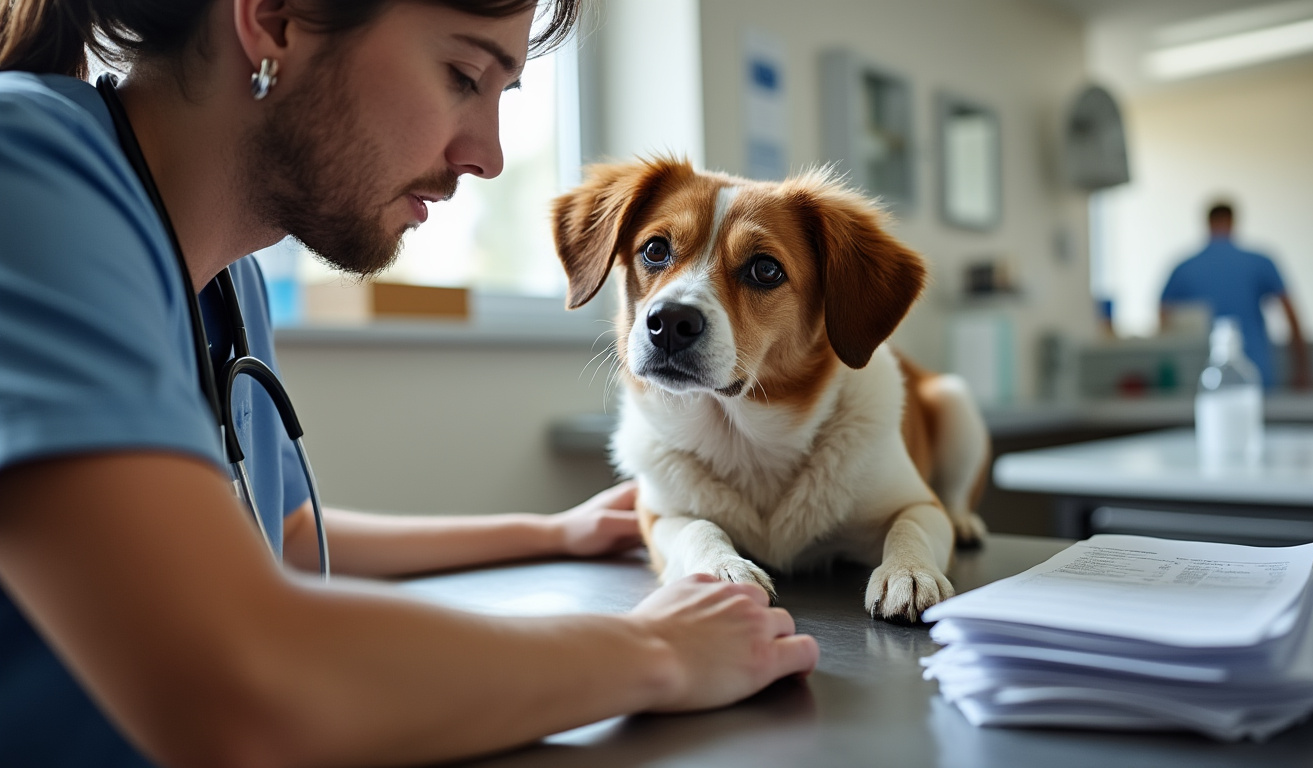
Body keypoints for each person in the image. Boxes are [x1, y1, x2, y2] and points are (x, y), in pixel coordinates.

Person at [0, 1, 819, 765]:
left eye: (504, 93)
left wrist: (550, 533)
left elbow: (277, 536)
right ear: (277, 18)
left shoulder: (229, 281)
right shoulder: (25, 170)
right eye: (465, 77)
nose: (489, 156)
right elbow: (239, 684)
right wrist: (658, 654)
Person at [1160, 202, 1312, 390]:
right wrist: (1303, 369)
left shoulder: (1184, 268)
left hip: (1201, 378)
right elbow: (1290, 313)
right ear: (1233, 222)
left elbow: (1163, 320)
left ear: (1207, 223)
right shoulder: (1259, 262)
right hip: (1256, 374)